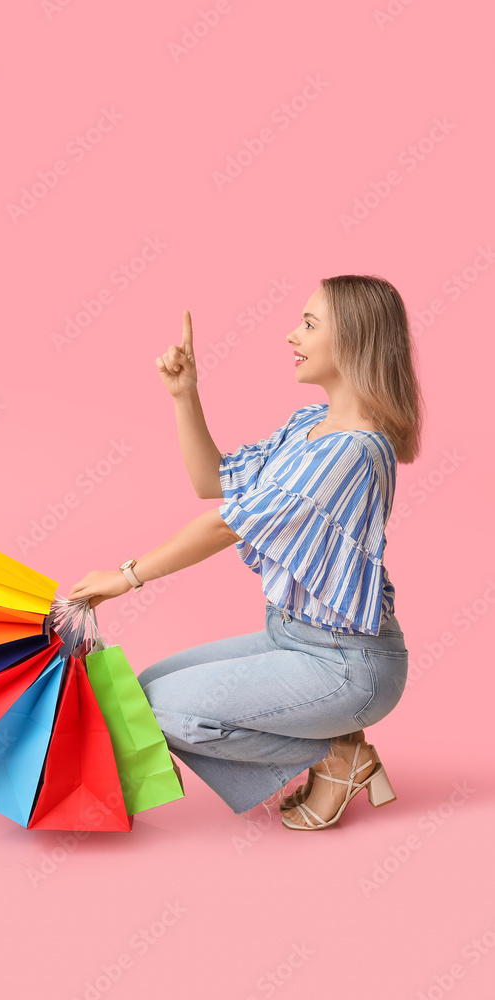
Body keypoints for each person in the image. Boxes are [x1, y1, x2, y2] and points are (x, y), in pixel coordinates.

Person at [67, 274, 425, 830]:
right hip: (291, 636)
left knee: (157, 713)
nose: (291, 335)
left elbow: (224, 526)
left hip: (349, 665)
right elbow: (214, 481)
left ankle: (336, 754)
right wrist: (185, 394)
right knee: (142, 693)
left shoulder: (354, 453)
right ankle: (335, 745)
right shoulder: (310, 427)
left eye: (309, 324)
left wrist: (127, 576)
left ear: (353, 339)